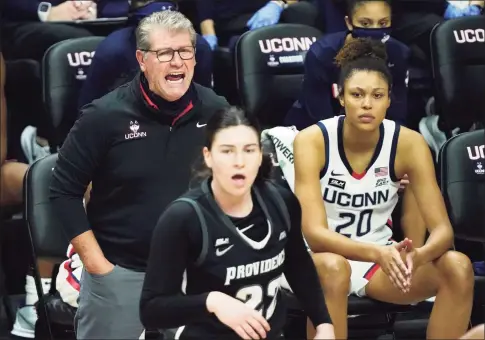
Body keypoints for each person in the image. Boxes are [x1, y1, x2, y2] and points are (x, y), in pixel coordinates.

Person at [49, 10, 229, 339]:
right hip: (121, 272)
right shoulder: (103, 116)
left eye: (185, 51)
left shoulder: (216, 110)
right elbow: (63, 191)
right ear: (142, 60)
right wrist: (98, 267)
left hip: (198, 274)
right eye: (164, 53)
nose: (177, 62)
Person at [292, 38, 475, 340]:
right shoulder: (312, 141)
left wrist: (418, 256)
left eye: (377, 95)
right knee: (335, 269)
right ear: (339, 96)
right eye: (357, 94)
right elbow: (314, 233)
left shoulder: (410, 143)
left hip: (376, 263)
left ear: (390, 99)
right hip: (316, 260)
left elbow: (443, 231)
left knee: (458, 267)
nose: (367, 104)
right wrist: (378, 252)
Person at [140, 106, 335, 339]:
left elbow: (298, 264)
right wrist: (212, 302)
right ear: (208, 156)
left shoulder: (281, 201)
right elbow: (151, 310)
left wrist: (323, 323)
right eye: (227, 151)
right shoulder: (184, 217)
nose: (239, 161)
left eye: (249, 150)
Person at [284, 0, 410, 130]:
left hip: (374, 132)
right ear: (349, 23)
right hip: (314, 130)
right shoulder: (322, 54)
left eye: (383, 23)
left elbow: (397, 113)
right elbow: (319, 118)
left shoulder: (398, 54)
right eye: (365, 23)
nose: (375, 30)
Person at [77, 0, 214, 109]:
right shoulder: (112, 51)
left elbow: (206, 109)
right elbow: (87, 115)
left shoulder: (199, 48)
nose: (175, 61)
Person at [197, 0, 319, 50]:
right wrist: (209, 36)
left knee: (304, 11)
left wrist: (278, 3)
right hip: (236, 24)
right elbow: (204, 10)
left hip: (273, 14)